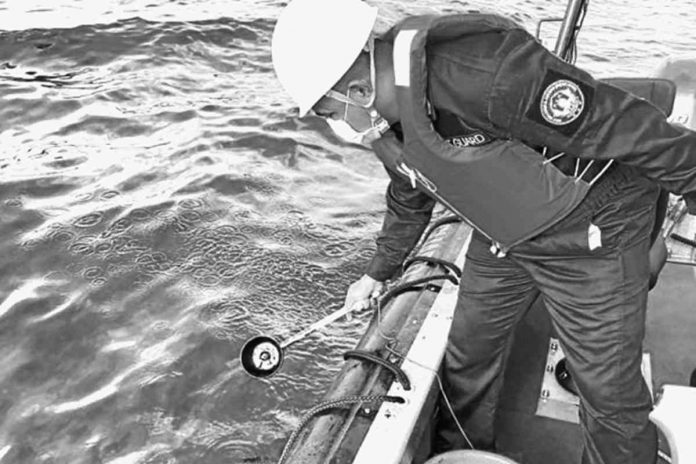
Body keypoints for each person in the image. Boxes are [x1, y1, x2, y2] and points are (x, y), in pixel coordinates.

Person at [270, 1, 696, 463]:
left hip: (594, 229)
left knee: (608, 392)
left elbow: (630, 128)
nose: (332, 123)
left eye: (324, 111)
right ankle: (464, 454)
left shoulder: (487, 74)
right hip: (508, 236)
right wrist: (377, 273)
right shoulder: (388, 123)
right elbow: (410, 192)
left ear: (356, 89)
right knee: (469, 352)